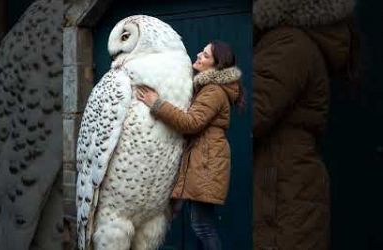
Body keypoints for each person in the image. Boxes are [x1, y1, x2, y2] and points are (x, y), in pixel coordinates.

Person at [252, 0, 357, 249]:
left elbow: (251, 113)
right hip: (289, 189)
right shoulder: (298, 41)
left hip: (278, 196)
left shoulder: (290, 44)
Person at [135, 40, 244, 250]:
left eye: (204, 55)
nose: (198, 55)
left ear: (216, 65)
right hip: (206, 159)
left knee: (202, 226)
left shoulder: (213, 91)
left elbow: (190, 123)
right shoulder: (208, 88)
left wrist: (156, 103)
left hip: (207, 163)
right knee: (201, 224)